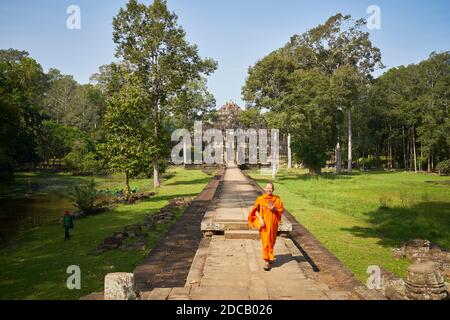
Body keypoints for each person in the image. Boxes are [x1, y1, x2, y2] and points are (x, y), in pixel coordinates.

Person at [247, 182, 284, 271]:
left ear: (273, 189)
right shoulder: (260, 199)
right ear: (264, 189)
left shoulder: (276, 199)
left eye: (270, 188)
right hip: (264, 224)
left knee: (272, 241)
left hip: (273, 224)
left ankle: (270, 255)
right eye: (267, 188)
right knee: (266, 242)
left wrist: (274, 209)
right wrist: (260, 219)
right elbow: (255, 210)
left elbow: (280, 210)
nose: (268, 189)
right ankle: (266, 261)